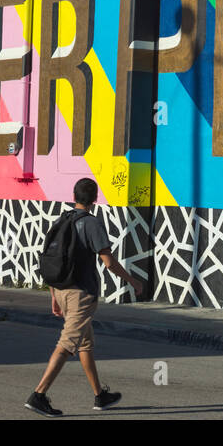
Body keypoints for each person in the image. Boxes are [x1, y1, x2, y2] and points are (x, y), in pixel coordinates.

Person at [25, 177, 145, 416]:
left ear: (74, 197)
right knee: (67, 344)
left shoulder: (62, 219)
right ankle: (38, 395)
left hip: (61, 290)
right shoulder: (91, 223)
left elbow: (52, 260)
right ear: (95, 199)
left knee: (85, 344)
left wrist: (53, 296)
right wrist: (132, 281)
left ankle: (100, 396)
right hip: (81, 295)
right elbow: (108, 262)